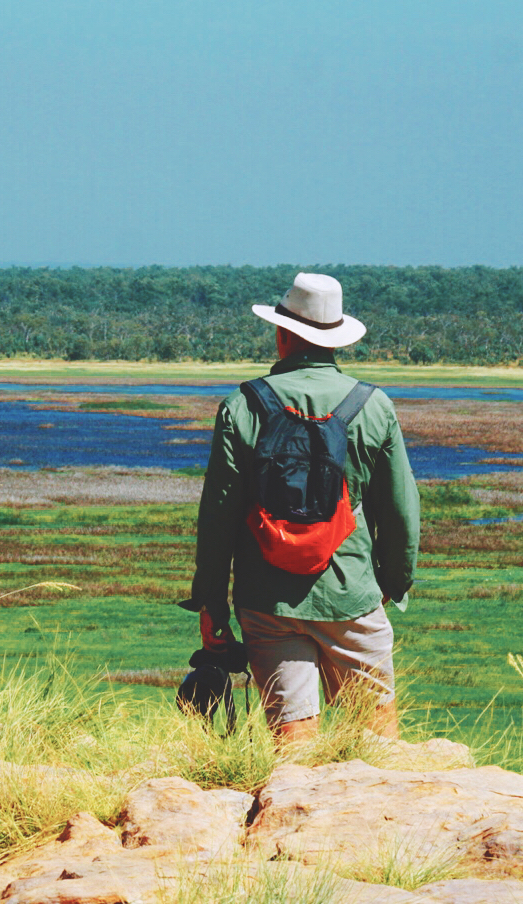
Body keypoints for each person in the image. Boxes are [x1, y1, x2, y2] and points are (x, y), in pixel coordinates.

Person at [183, 273, 419, 745]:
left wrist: (211, 603)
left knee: (293, 740)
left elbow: (218, 520)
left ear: (283, 334)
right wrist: (392, 584)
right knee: (377, 742)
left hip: (267, 601)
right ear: (335, 338)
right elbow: (400, 514)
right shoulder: (373, 406)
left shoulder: (242, 406)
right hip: (352, 595)